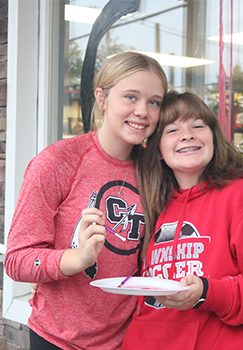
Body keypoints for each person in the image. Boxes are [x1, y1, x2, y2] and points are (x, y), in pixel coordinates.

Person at [4, 51, 168, 350]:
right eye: (130, 97)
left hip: (128, 339)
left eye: (154, 101)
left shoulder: (156, 170)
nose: (143, 111)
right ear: (101, 98)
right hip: (58, 339)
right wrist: (75, 259)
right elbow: (17, 260)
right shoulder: (59, 161)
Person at [122, 91, 243, 350]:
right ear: (159, 151)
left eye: (197, 126)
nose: (187, 135)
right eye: (172, 130)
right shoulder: (154, 206)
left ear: (214, 138)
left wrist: (208, 293)